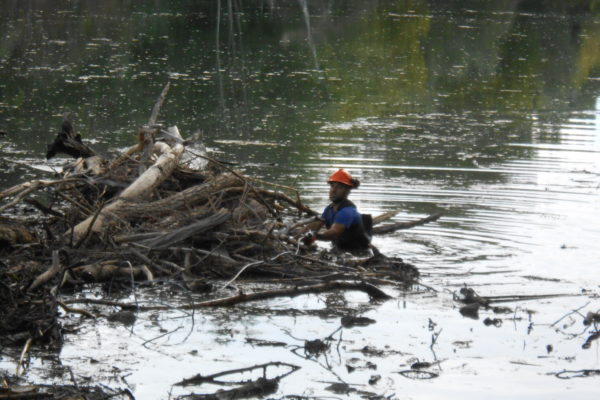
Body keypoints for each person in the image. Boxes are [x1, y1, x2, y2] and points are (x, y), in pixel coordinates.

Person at [302, 169, 372, 252]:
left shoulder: (347, 211)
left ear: (347, 191)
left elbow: (333, 233)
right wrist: (298, 237)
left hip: (357, 253)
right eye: (332, 186)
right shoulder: (329, 209)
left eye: (339, 187)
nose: (333, 191)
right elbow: (315, 225)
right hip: (340, 249)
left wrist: (315, 235)